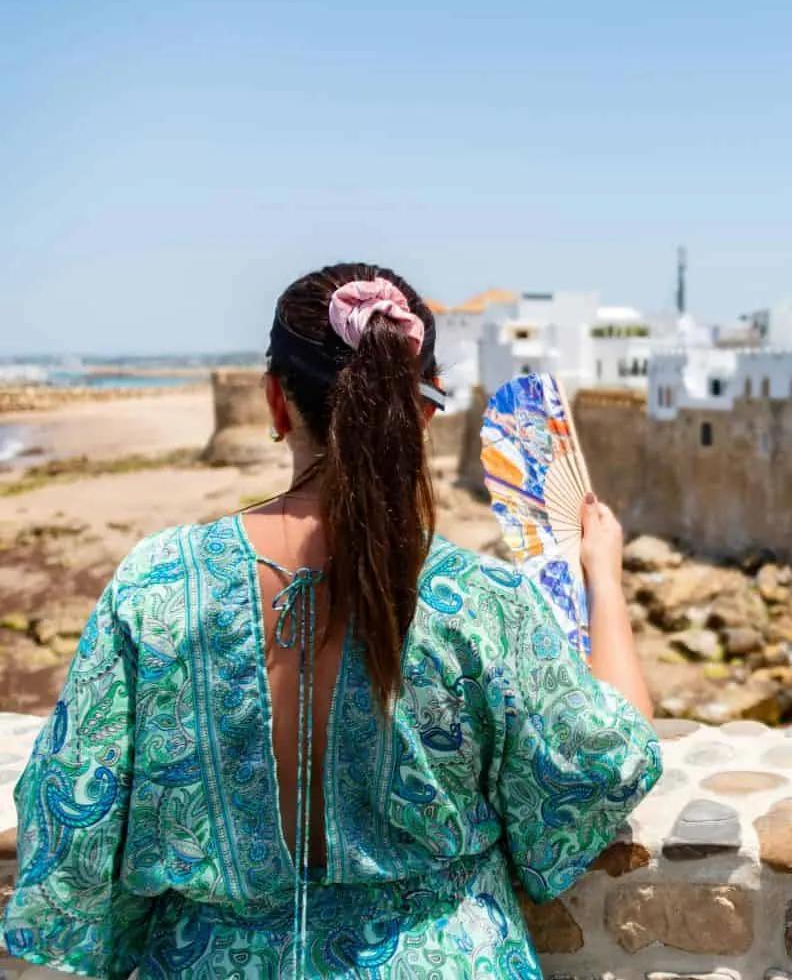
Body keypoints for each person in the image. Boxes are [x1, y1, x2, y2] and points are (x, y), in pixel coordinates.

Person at [2, 263, 660, 978]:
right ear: (423, 415)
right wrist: (603, 575)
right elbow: (607, 759)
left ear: (277, 404)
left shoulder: (155, 588)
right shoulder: (481, 601)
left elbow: (70, 811)